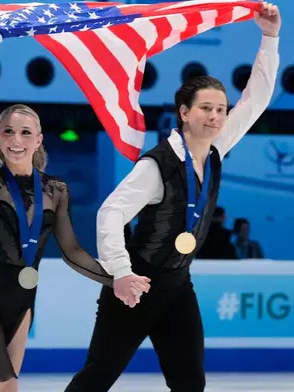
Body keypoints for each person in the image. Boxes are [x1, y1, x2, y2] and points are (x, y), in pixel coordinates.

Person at [0, 17, 148, 392]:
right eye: (9, 132)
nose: (16, 139)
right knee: (5, 388)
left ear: (39, 139)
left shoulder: (56, 190)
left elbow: (72, 251)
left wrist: (115, 278)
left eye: (25, 132)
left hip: (23, 300)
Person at [64, 3, 280, 391]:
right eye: (205, 109)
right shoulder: (157, 165)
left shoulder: (215, 148)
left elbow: (256, 101)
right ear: (184, 112)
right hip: (137, 288)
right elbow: (110, 212)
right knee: (95, 379)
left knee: (189, 383)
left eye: (220, 109)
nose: (216, 116)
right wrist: (122, 273)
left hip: (179, 287)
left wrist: (270, 38)